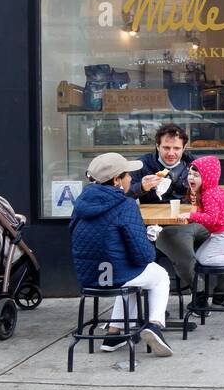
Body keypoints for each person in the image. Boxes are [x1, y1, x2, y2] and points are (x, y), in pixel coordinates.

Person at [69, 152, 174, 356]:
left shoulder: (80, 204)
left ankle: (114, 334)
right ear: (117, 180)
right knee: (159, 275)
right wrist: (149, 239)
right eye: (127, 175)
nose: (131, 179)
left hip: (89, 277)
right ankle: (155, 326)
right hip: (118, 276)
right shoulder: (124, 205)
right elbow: (144, 256)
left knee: (132, 279)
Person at [183, 155, 224, 298]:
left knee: (205, 259)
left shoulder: (208, 195)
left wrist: (191, 216)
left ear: (207, 177)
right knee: (199, 256)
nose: (191, 178)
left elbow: (211, 219)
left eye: (196, 175)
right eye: (190, 174)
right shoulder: (210, 191)